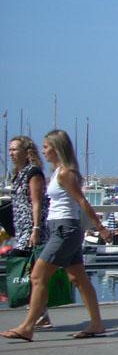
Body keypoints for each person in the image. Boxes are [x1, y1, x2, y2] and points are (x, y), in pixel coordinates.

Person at [2, 129, 111, 342]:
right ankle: (97, 323)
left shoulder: (65, 173)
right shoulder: (58, 171)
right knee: (78, 278)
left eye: (46, 147)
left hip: (65, 230)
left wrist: (100, 228)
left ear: (57, 147)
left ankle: (28, 327)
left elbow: (82, 202)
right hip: (59, 229)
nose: (43, 151)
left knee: (37, 276)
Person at [7, 136, 54, 329]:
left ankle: (38, 315)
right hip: (21, 227)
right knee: (31, 272)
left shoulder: (33, 173)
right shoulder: (17, 174)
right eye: (10, 150)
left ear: (27, 152)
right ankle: (41, 314)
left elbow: (37, 202)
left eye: (15, 149)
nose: (11, 153)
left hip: (31, 228)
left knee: (31, 271)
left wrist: (35, 229)